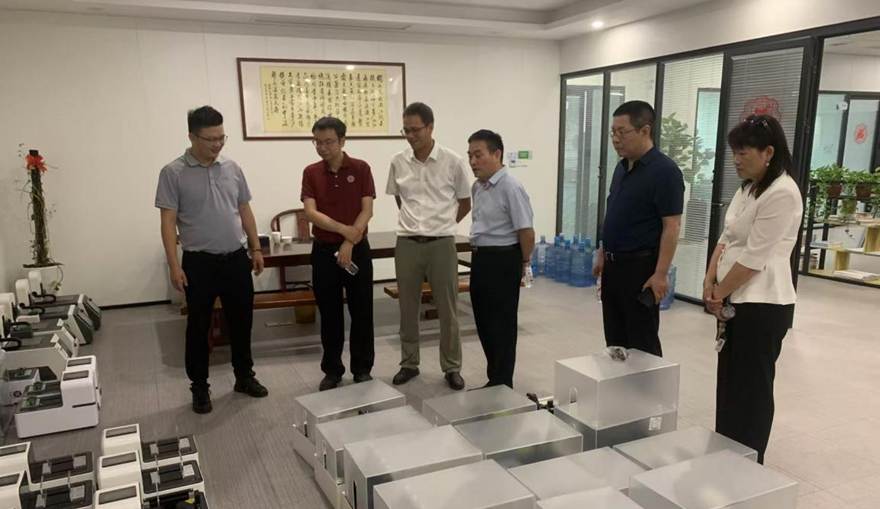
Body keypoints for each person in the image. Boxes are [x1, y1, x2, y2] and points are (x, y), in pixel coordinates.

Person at [155, 106, 268, 414]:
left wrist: (256, 248)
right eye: (210, 139)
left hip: (236, 259)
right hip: (199, 263)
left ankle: (244, 376)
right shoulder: (173, 173)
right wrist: (174, 266)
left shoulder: (232, 167)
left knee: (242, 322)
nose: (217, 144)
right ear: (192, 137)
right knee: (198, 326)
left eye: (221, 138)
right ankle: (199, 386)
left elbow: (244, 209)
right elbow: (168, 222)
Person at [704, 114, 802, 464]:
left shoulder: (783, 192)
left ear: (768, 152)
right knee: (730, 383)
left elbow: (754, 259)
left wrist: (719, 293)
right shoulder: (747, 188)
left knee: (753, 389)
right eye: (734, 152)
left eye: (743, 152)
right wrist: (710, 280)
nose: (736, 159)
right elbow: (726, 237)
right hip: (735, 298)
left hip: (763, 305)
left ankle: (749, 463)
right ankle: (727, 453)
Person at [386, 102, 471, 390]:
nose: (410, 136)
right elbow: (399, 198)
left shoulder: (453, 161)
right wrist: (416, 223)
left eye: (415, 130)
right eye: (405, 130)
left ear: (431, 127)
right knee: (407, 308)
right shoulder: (398, 161)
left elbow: (465, 202)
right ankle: (409, 363)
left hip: (441, 243)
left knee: (448, 309)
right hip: (407, 242)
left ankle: (452, 366)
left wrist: (443, 224)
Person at [593, 100, 684, 357]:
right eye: (613, 132)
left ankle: (650, 384)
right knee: (615, 338)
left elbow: (672, 226)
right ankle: (619, 382)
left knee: (642, 342)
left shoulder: (665, 172)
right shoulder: (621, 168)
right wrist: (602, 251)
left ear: (645, 130)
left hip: (640, 269)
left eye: (622, 132)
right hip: (613, 267)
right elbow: (614, 213)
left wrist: (660, 274)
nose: (615, 139)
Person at [301, 117, 376, 391]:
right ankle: (332, 370)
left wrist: (349, 242)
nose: (322, 147)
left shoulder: (361, 168)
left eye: (328, 142)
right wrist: (345, 232)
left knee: (362, 311)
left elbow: (367, 210)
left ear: (342, 141)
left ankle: (362, 368)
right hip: (324, 251)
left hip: (357, 249)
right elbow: (311, 213)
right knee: (329, 313)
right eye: (317, 142)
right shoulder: (311, 172)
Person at [467, 129, 535, 388]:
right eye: (470, 156)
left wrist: (524, 263)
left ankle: (503, 383)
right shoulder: (477, 187)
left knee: (502, 325)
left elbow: (526, 231)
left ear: (497, 154)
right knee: (484, 321)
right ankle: (494, 378)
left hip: (504, 260)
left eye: (478, 155)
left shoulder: (511, 187)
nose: (473, 161)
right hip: (481, 258)